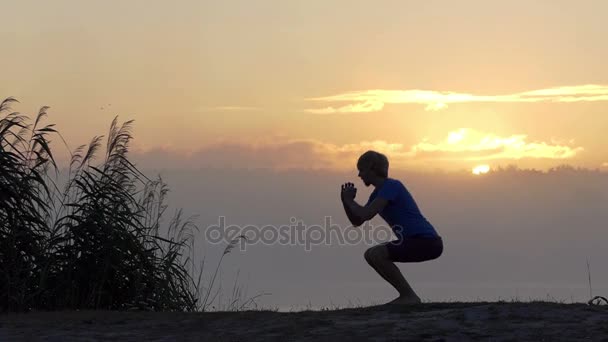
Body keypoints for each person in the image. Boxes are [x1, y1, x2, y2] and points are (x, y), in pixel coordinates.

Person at [340, 150, 443, 305]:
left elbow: (366, 214)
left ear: (372, 168)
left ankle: (409, 296)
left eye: (361, 169)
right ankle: (407, 296)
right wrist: (345, 201)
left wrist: (349, 200)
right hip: (414, 241)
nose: (359, 175)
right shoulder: (377, 194)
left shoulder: (392, 186)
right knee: (370, 254)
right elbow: (358, 220)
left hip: (426, 242)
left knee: (376, 253)